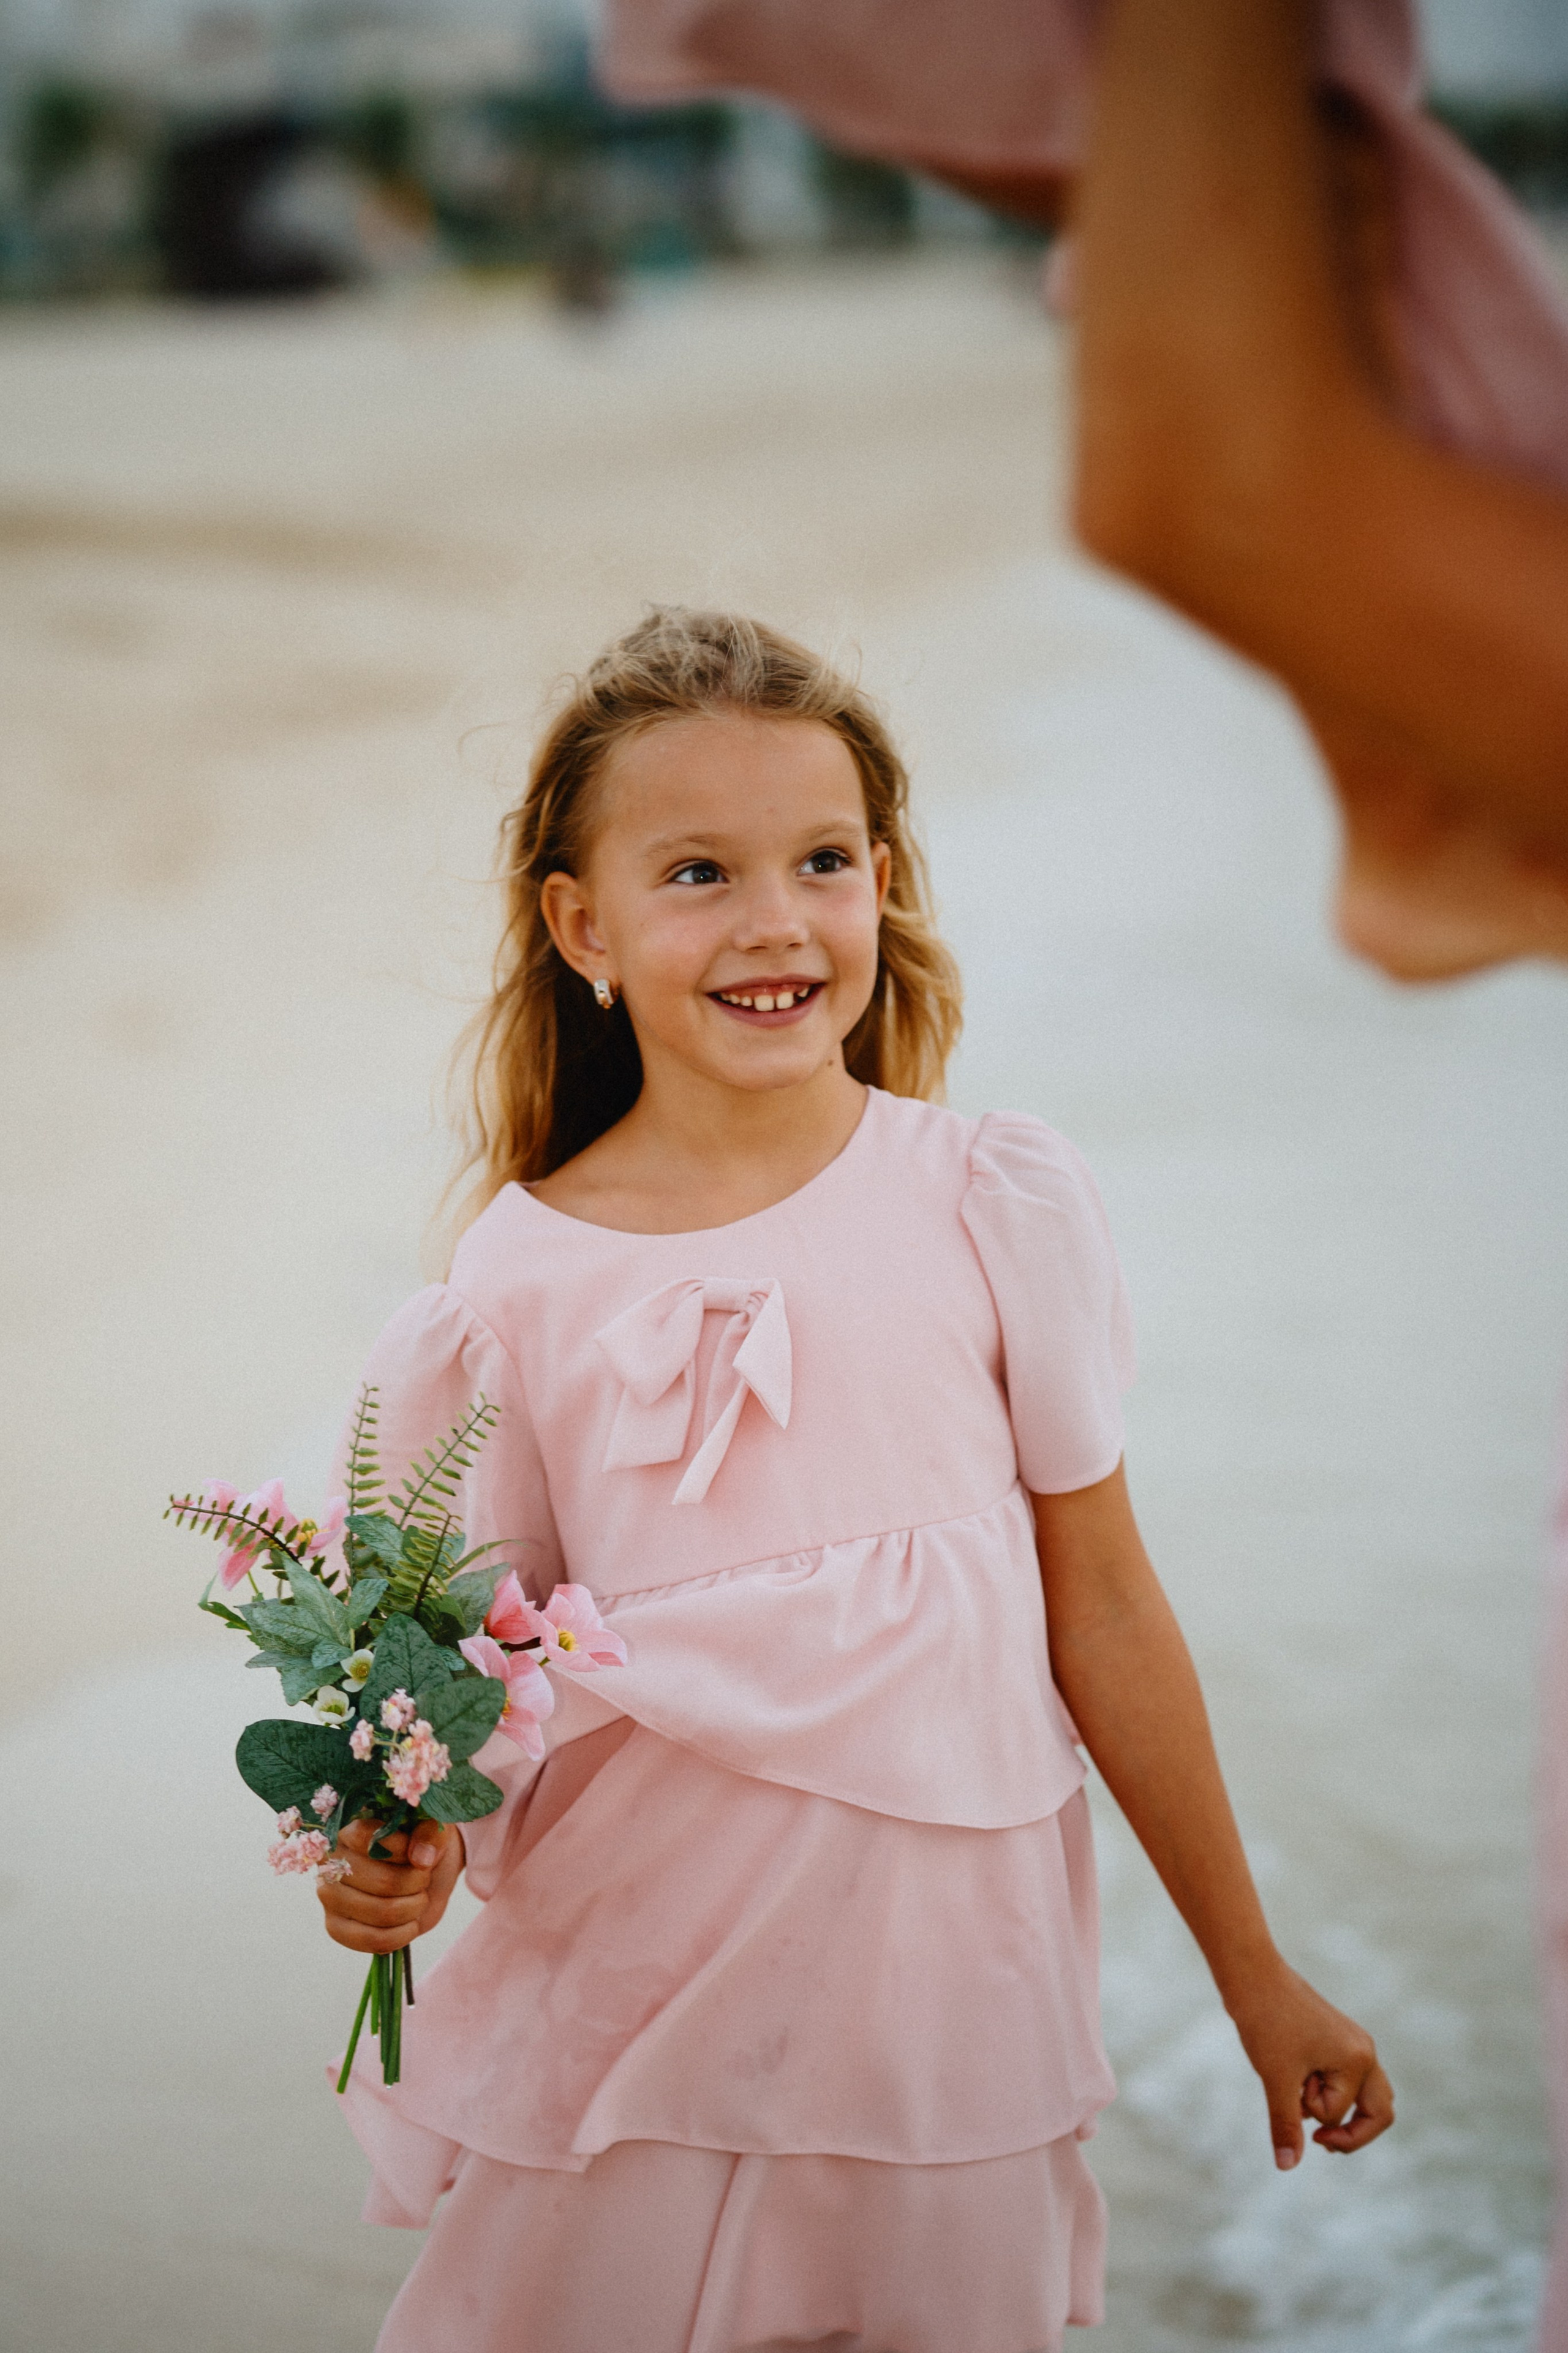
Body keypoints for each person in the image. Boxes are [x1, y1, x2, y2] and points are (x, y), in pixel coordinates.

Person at [316, 607, 1392, 2352]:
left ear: (881, 881)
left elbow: (1103, 1606)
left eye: (822, 859)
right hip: (643, 2023)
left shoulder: (989, 1199)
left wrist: (1252, 1969)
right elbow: (473, 1693)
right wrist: (400, 1851)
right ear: (580, 924)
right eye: (697, 872)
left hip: (943, 2031)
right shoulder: (515, 1280)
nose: (774, 921)